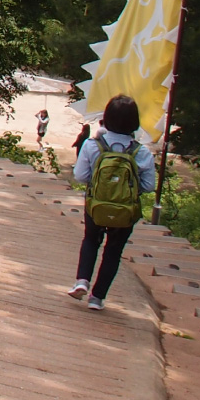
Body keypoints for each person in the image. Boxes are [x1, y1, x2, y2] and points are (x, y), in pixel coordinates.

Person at [69, 94, 155, 311]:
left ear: (106, 118)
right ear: (135, 121)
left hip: (96, 205)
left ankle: (81, 281)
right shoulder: (141, 152)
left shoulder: (92, 145)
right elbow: (148, 185)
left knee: (90, 240)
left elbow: (80, 176)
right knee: (113, 251)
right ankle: (97, 298)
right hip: (125, 212)